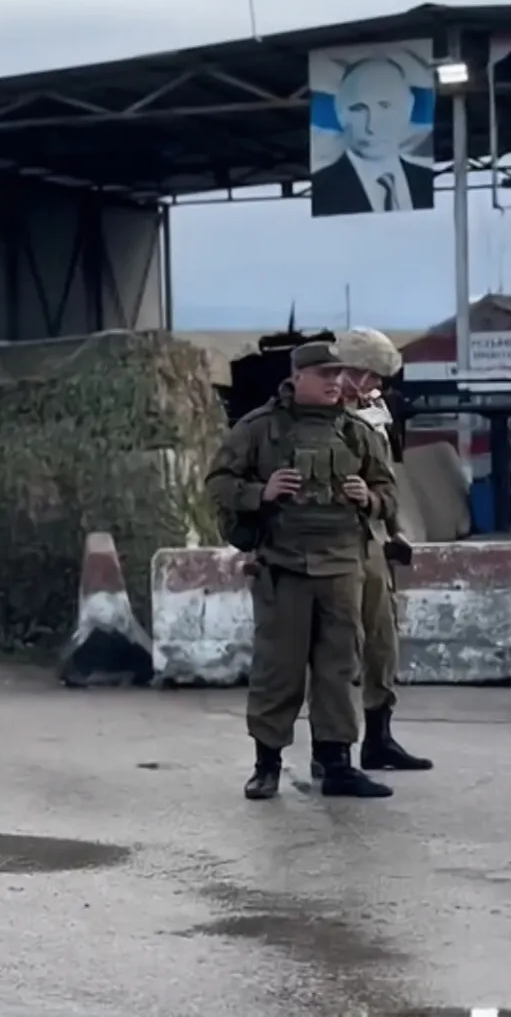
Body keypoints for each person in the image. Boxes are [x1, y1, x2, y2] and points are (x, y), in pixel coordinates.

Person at [208, 340, 398, 800]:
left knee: (339, 670)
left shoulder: (357, 432)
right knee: (279, 669)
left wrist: (369, 498)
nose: (335, 383)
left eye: (338, 374)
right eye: (325, 375)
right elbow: (218, 483)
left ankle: (336, 764)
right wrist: (261, 492)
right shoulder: (259, 429)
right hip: (284, 566)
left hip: (342, 567)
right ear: (297, 378)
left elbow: (390, 493)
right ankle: (266, 765)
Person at [330, 326, 433, 774]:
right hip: (333, 541)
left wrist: (396, 529)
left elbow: (385, 476)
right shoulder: (317, 415)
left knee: (382, 640)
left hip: (372, 533)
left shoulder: (374, 414)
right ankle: (330, 748)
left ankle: (379, 737)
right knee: (335, 647)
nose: (375, 386)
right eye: (370, 376)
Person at [310, 56, 436, 216]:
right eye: (358, 108)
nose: (371, 127)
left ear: (409, 107)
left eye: (385, 106)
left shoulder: (425, 180)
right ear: (339, 112)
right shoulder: (322, 188)